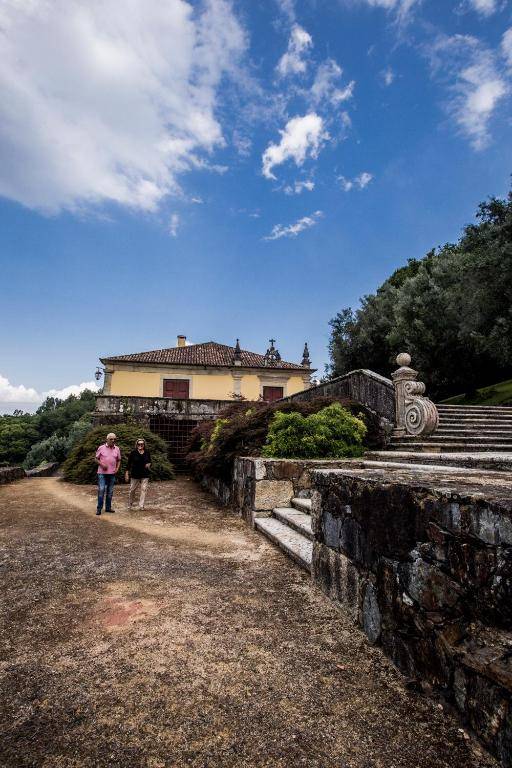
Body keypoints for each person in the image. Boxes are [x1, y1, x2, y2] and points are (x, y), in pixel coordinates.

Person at [95, 432, 121, 516]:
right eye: (111, 439)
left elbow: (119, 460)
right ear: (107, 439)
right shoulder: (101, 448)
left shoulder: (117, 448)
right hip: (102, 473)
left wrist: (117, 468)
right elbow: (95, 459)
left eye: (114, 439)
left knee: (110, 491)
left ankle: (108, 508)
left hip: (112, 473)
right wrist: (102, 464)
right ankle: (99, 508)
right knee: (101, 490)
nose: (113, 440)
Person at [126, 438, 151, 510]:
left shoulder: (147, 452)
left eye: (142, 444)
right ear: (136, 445)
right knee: (132, 490)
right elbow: (129, 464)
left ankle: (141, 505)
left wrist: (149, 464)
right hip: (135, 474)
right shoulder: (133, 453)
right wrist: (127, 473)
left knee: (144, 489)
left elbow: (149, 461)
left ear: (144, 445)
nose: (140, 445)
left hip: (145, 474)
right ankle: (130, 503)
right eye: (139, 444)